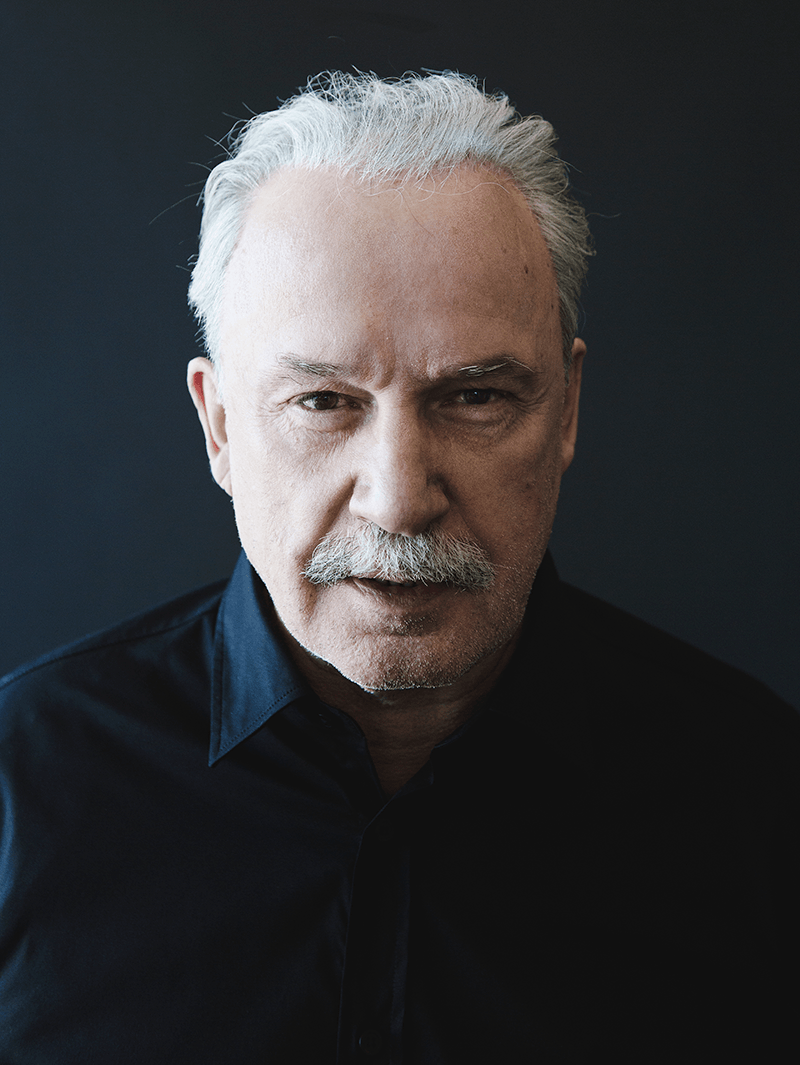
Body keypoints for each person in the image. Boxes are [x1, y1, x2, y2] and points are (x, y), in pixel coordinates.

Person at [0, 72, 797, 1063]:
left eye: (474, 397)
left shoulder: (760, 804)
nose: (398, 499)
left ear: (567, 411)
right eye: (323, 402)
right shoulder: (21, 789)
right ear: (217, 426)